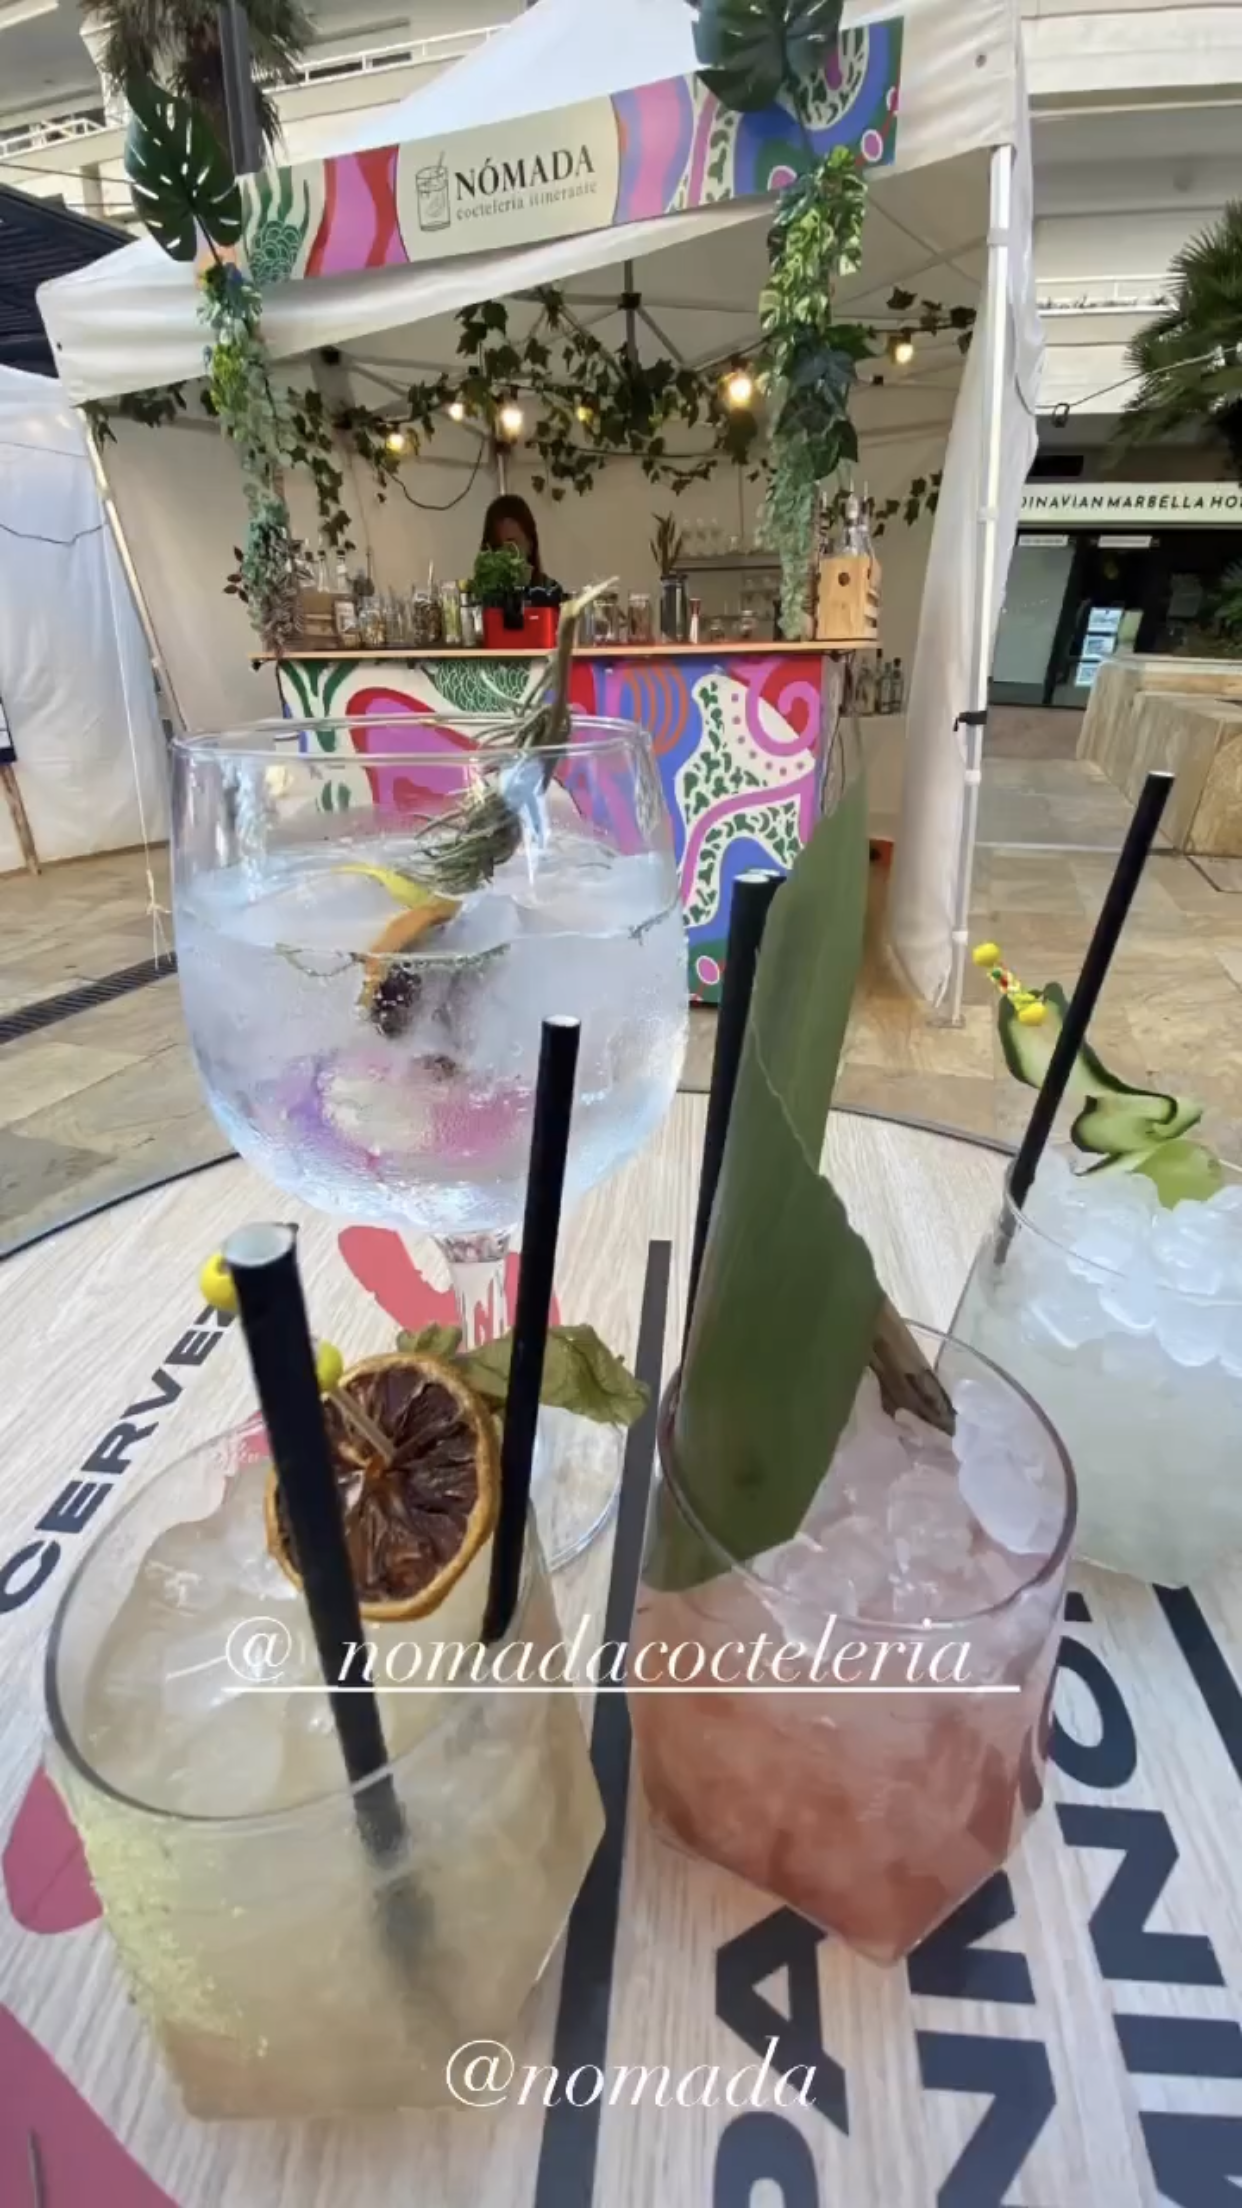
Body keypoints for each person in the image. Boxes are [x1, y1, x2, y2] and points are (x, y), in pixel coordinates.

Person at [480, 494, 561, 596]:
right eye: (497, 547)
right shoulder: (477, 597)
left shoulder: (550, 592)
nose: (503, 555)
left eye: (511, 546)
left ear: (530, 545)